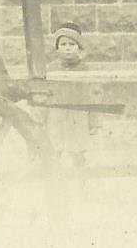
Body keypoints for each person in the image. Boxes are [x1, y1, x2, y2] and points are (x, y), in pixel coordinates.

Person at [40, 22, 100, 176]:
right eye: (63, 44)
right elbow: (44, 95)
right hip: (56, 117)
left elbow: (92, 97)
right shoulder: (51, 69)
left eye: (72, 44)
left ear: (79, 47)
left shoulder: (85, 70)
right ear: (57, 47)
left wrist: (93, 122)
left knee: (78, 154)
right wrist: (41, 118)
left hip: (77, 116)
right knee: (54, 151)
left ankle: (82, 186)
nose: (67, 47)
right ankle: (55, 186)